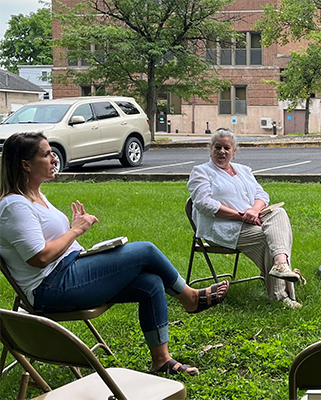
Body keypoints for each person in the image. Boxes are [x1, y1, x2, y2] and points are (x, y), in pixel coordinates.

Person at [0, 132, 229, 376]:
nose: (54, 159)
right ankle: (190, 298)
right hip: (51, 287)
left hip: (69, 269)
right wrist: (76, 231)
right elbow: (39, 258)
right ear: (25, 164)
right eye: (46, 155)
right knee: (146, 251)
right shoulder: (15, 206)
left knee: (150, 284)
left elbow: (48, 243)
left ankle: (161, 360)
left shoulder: (36, 197)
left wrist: (72, 230)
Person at [188, 128, 302, 309]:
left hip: (252, 219)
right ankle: (280, 296)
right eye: (217, 147)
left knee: (279, 214)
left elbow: (262, 194)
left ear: (234, 151)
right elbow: (204, 204)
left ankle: (280, 264)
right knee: (267, 237)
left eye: (227, 148)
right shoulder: (201, 172)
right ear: (210, 148)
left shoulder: (243, 170)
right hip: (222, 226)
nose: (222, 152)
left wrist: (254, 211)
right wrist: (241, 216)